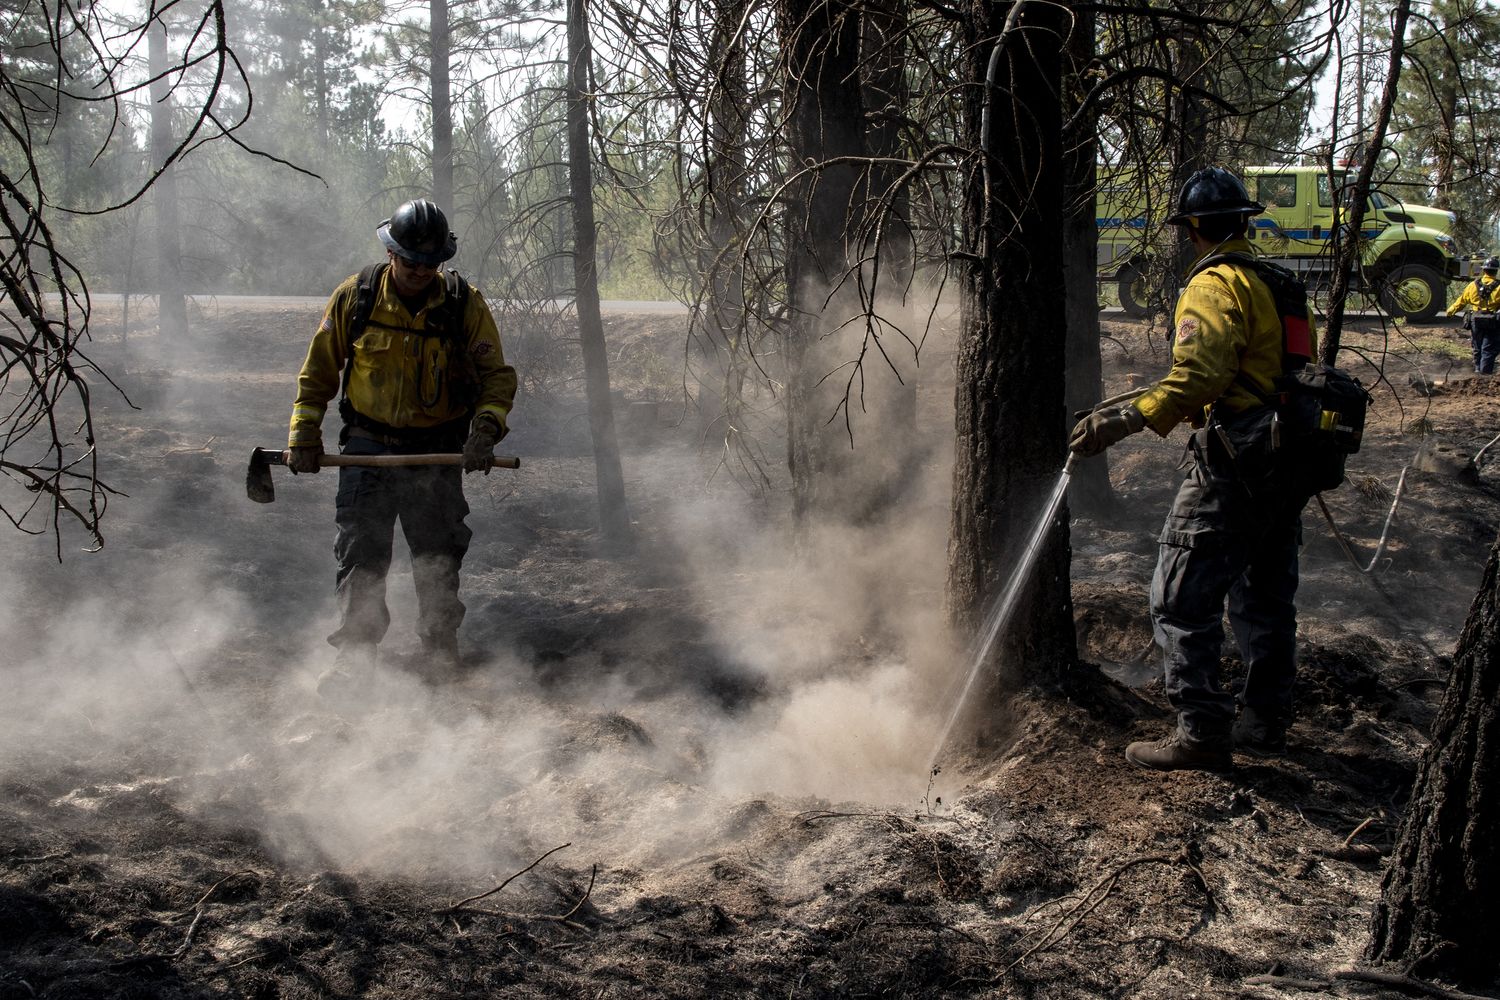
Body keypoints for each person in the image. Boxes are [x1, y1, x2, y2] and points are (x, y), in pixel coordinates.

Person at [1070, 166, 1316, 772]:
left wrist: (1124, 420)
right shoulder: (1278, 283)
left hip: (1236, 462)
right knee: (1264, 596)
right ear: (1243, 221)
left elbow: (1199, 378)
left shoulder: (1214, 286)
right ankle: (1264, 722)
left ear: (1195, 229)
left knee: (1178, 598)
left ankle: (1202, 732)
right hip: (1288, 461)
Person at [285, 199, 517, 691]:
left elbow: (495, 376)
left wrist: (485, 430)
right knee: (361, 551)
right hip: (367, 446)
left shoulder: (461, 303)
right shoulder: (357, 297)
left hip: (436, 448)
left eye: (430, 263)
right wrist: (303, 435)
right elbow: (318, 373)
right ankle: (355, 656)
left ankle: (439, 652)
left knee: (438, 554)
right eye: (410, 260)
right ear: (392, 251)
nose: (419, 271)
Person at [1446, 256, 1500, 375]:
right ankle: (1484, 375)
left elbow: (1461, 301)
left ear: (1484, 270)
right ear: (1496, 271)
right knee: (1488, 348)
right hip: (1493, 322)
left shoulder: (1472, 285)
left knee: (1477, 346)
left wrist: (1450, 312)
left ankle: (1477, 370)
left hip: (1476, 320)